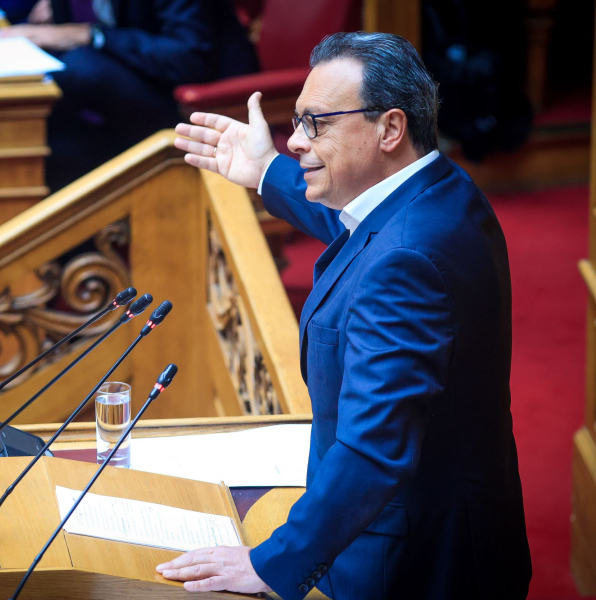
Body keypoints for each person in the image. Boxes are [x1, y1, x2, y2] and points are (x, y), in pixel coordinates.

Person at [159, 32, 531, 599]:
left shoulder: (407, 261)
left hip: (411, 564)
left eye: (315, 124)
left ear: (390, 128)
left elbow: (373, 448)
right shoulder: (439, 189)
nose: (295, 142)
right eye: (296, 122)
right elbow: (361, 227)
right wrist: (264, 170)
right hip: (457, 523)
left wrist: (272, 564)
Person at [0, 0, 257, 190]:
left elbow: (189, 57)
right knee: (50, 146)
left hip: (201, 104)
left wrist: (90, 34)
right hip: (138, 83)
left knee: (79, 69)